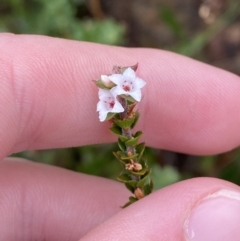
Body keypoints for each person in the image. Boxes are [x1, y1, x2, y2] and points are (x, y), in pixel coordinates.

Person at [1, 33, 240, 241]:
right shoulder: (116, 101)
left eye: (126, 87)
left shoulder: (130, 89)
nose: (125, 88)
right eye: (122, 88)